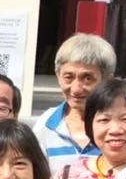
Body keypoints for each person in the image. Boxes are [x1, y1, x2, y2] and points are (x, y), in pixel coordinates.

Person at [31, 33, 118, 169]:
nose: (76, 89)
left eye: (87, 78)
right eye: (68, 77)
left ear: (108, 80)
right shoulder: (46, 124)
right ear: (58, 76)